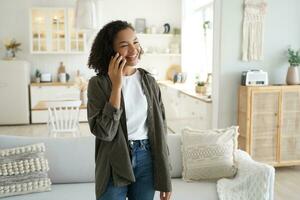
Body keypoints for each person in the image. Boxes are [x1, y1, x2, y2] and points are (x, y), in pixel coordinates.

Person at [87, 20, 172, 200]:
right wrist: (117, 86)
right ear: (111, 51)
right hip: (113, 160)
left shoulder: (149, 81)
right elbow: (104, 132)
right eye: (124, 45)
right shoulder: (99, 84)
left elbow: (160, 131)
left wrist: (165, 178)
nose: (133, 50)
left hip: (146, 157)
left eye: (135, 42)